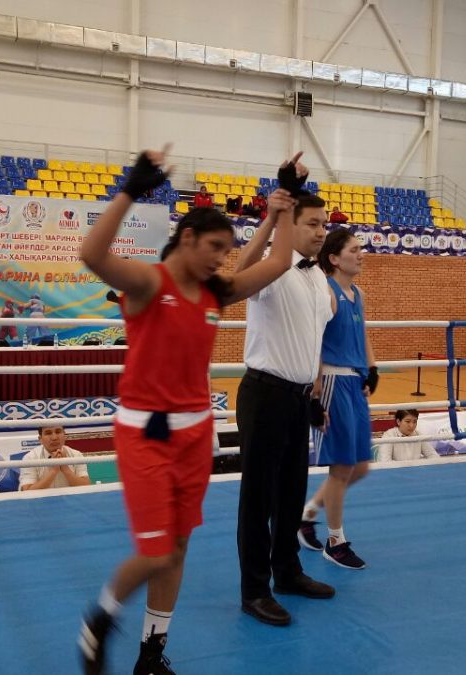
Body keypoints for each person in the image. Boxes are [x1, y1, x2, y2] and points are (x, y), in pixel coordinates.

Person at [76, 145, 298, 675]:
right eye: (215, 247)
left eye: (227, 250)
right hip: (147, 435)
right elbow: (92, 255)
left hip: (196, 435)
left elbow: (278, 262)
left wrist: (286, 200)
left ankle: (151, 654)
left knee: (176, 550)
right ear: (188, 237)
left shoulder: (214, 293)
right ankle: (101, 617)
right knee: (155, 552)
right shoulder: (149, 283)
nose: (221, 258)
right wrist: (132, 189)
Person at [235, 158, 337, 628]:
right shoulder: (271, 271)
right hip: (265, 395)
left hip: (297, 398)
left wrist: (313, 395)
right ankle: (254, 589)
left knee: (292, 493)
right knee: (258, 498)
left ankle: (287, 572)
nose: (321, 231)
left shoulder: (317, 277)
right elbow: (239, 272)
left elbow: (311, 340)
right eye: (312, 223)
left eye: (324, 224)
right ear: (290, 225)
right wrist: (274, 211)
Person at [296, 228, 378, 571]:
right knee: (341, 467)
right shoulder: (326, 293)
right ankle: (335, 541)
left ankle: (307, 514)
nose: (361, 254)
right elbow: (313, 342)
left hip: (354, 382)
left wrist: (372, 368)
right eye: (354, 249)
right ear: (334, 258)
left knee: (360, 467)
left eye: (361, 249)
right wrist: (315, 395)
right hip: (331, 381)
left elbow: (362, 333)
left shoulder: (357, 293)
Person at [19, 426, 91, 490]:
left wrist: (66, 469)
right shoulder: (30, 458)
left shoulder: (76, 455)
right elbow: (27, 490)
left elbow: (86, 486)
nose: (54, 438)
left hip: (71, 499)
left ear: (64, 435)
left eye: (58, 432)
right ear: (40, 439)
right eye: (48, 433)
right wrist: (53, 471)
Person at [375, 409, 440, 462]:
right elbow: (385, 461)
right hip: (395, 473)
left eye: (414, 422)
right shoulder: (389, 436)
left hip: (415, 472)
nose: (411, 425)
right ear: (398, 422)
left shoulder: (418, 435)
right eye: (408, 421)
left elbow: (433, 455)